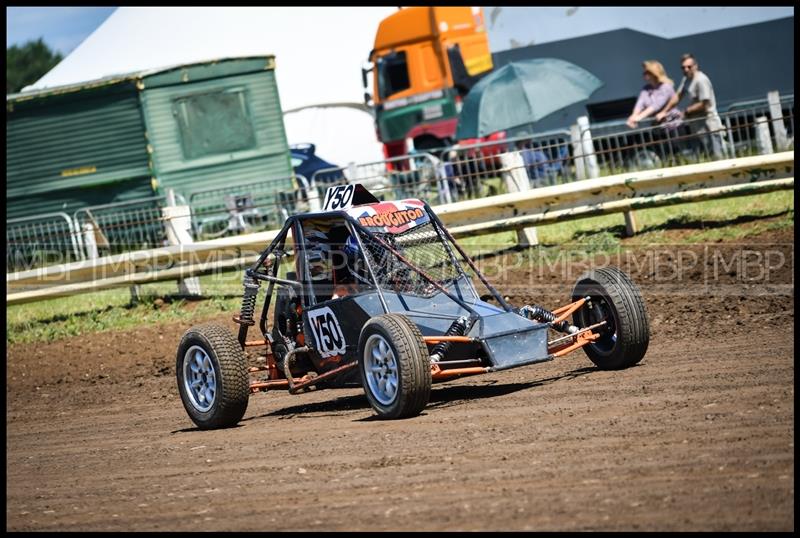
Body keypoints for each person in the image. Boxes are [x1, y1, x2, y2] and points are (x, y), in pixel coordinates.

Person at [659, 53, 725, 160]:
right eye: (683, 67)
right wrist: (664, 111)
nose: (686, 69)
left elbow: (705, 104)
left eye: (688, 67)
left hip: (709, 125)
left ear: (695, 66)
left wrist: (685, 112)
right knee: (705, 159)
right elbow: (678, 96)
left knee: (717, 158)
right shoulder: (686, 80)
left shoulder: (701, 80)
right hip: (697, 127)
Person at [626, 60, 682, 133]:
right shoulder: (646, 89)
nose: (643, 74)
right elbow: (640, 104)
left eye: (646, 72)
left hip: (674, 126)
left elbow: (656, 105)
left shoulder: (666, 87)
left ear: (654, 73)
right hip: (659, 128)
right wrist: (633, 116)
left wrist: (639, 117)